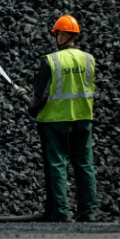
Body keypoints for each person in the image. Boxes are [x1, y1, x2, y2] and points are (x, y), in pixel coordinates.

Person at [16, 14, 98, 222]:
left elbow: (40, 96)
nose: (55, 38)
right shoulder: (88, 59)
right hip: (83, 117)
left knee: (57, 163)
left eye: (56, 34)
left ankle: (61, 211)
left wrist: (30, 106)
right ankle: (88, 211)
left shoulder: (51, 61)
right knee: (84, 164)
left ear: (62, 35)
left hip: (55, 120)